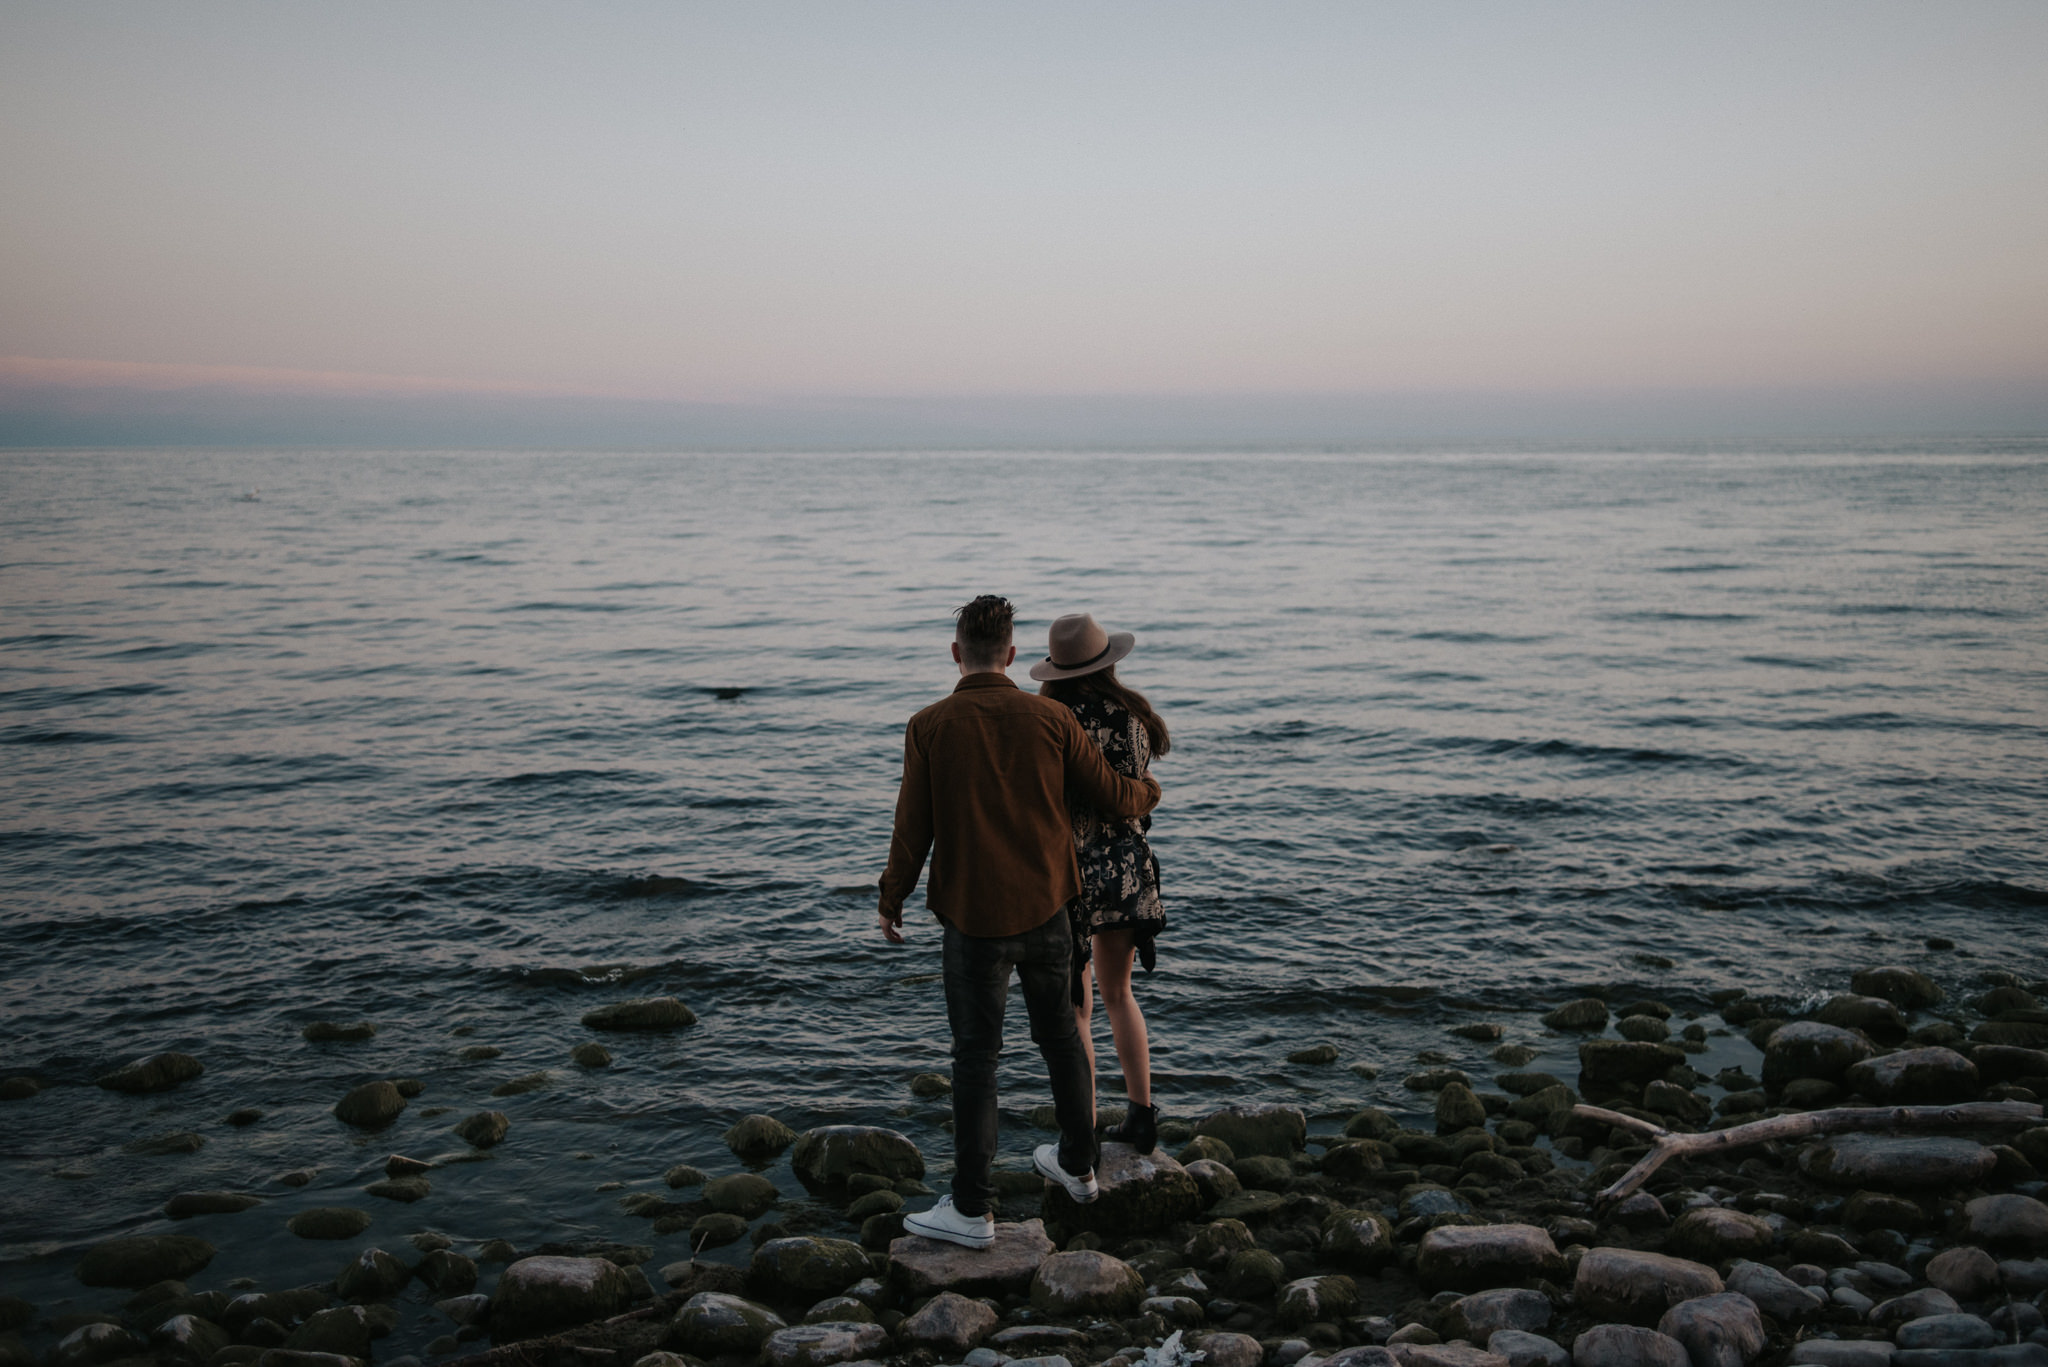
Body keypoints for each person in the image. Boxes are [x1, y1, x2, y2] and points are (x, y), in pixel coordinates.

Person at [879, 595, 1162, 1249]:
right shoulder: (1051, 720)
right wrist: (1150, 790)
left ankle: (973, 1210)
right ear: (1010, 654)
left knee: (977, 1058)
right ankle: (1081, 1164)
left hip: (973, 917)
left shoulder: (928, 724)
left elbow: (911, 829)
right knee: (1062, 1038)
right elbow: (1116, 794)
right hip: (1050, 908)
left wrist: (892, 896)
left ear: (957, 654)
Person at [1030, 613, 1170, 1154]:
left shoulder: (1049, 717)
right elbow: (1139, 789)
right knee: (1120, 994)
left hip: (1072, 872)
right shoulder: (1132, 714)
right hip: (1130, 868)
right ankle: (1141, 1116)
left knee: (1078, 1009)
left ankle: (1083, 1129)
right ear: (1107, 662)